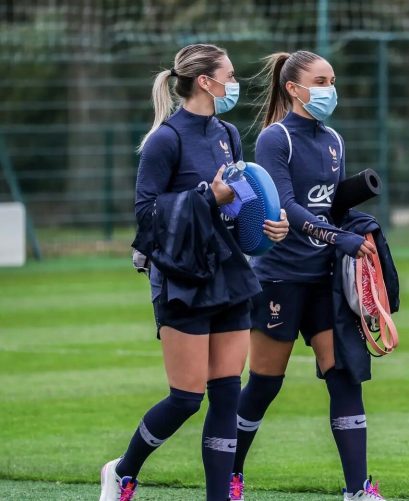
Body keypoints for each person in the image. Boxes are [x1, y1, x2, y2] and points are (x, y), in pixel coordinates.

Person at [99, 43, 289, 501]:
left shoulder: (227, 133)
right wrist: (209, 197)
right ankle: (123, 471)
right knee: (186, 398)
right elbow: (146, 216)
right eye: (229, 74)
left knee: (226, 394)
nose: (234, 82)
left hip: (229, 274)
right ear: (205, 81)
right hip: (182, 279)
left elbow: (240, 208)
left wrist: (269, 225)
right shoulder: (165, 139)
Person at [228, 50, 386, 501]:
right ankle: (230, 475)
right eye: (320, 80)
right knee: (263, 384)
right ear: (293, 88)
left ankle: (358, 489)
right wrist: (337, 238)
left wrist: (355, 210)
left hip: (324, 280)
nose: (328, 89)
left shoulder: (334, 138)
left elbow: (329, 204)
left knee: (344, 375)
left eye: (331, 79)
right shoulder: (276, 138)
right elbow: (286, 206)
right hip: (279, 278)